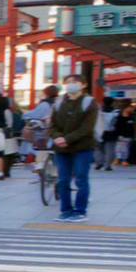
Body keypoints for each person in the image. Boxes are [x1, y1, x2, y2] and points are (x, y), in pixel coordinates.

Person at [49, 75, 98, 221]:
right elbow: (52, 125)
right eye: (68, 82)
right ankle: (65, 210)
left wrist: (66, 139)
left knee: (81, 179)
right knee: (63, 179)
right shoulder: (58, 102)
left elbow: (87, 128)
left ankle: (80, 211)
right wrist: (57, 137)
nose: (71, 85)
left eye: (75, 82)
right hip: (61, 148)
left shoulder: (89, 102)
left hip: (82, 147)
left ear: (83, 85)